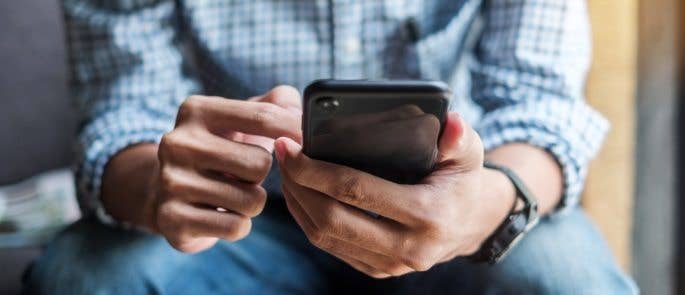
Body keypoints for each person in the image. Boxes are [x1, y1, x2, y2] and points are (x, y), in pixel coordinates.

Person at [24, 0, 638, 294]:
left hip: (457, 205)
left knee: (569, 280)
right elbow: (120, 111)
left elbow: (540, 104)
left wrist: (486, 209)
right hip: (241, 221)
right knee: (88, 278)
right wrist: (157, 187)